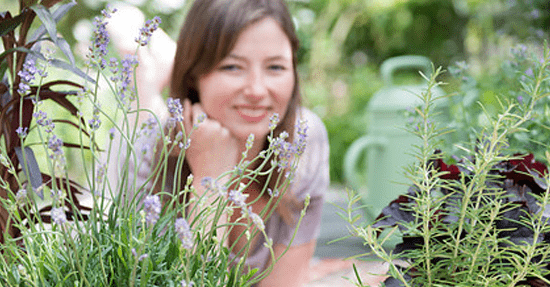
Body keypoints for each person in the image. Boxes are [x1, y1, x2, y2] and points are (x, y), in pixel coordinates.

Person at [111, 0, 330, 285]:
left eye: (275, 67)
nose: (256, 90)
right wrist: (209, 181)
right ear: (193, 76)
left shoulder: (303, 141)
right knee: (141, 109)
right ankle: (148, 75)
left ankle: (160, 67)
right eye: (232, 67)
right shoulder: (146, 154)